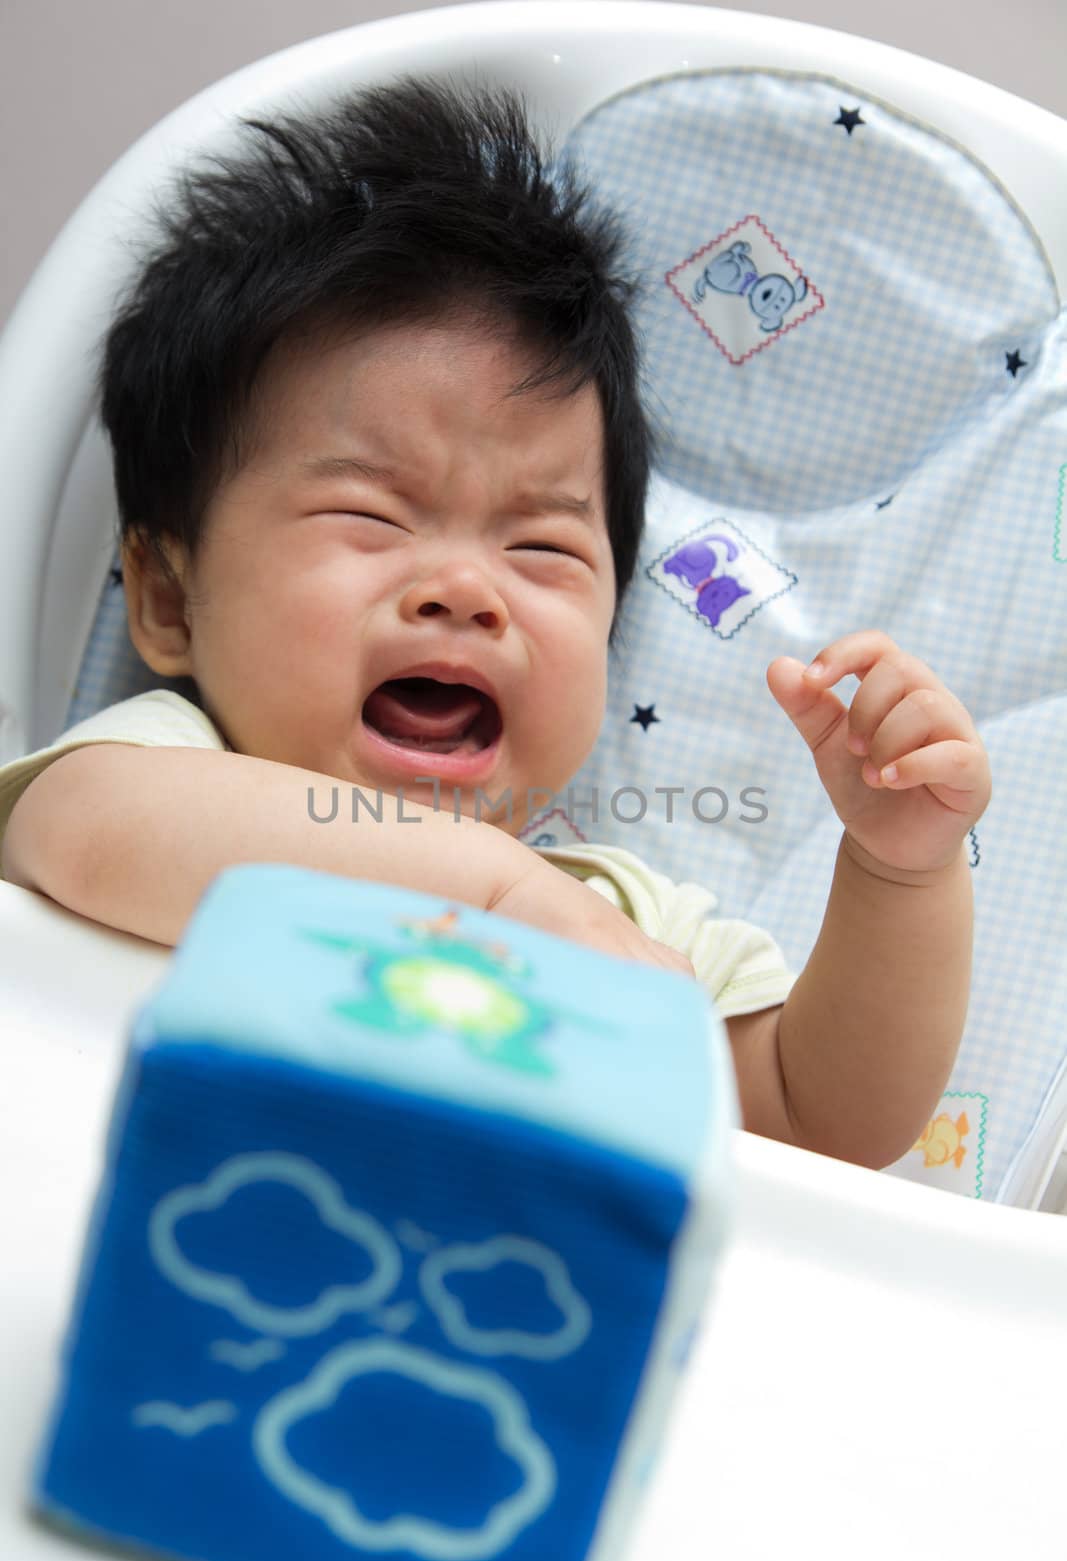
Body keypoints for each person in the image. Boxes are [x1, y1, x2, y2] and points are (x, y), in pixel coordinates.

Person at [0, 75, 990, 1171]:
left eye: (541, 549)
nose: (465, 590)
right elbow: (78, 829)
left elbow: (819, 1118)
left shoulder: (619, 921)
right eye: (372, 515)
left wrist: (897, 874)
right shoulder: (160, 770)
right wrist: (492, 895)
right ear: (170, 600)